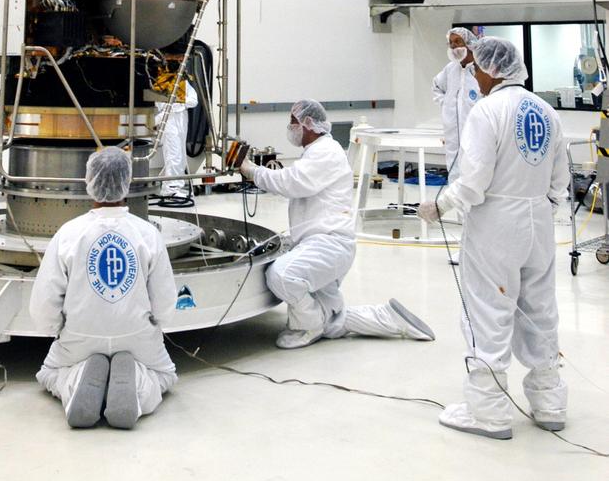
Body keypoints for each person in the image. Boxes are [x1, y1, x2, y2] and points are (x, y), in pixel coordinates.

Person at [418, 37, 568, 440]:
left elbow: (475, 181)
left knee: (488, 310)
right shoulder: (548, 112)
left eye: (477, 69)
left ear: (492, 69)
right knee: (539, 310)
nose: (474, 76)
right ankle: (549, 402)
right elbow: (560, 182)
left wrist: (440, 205)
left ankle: (489, 412)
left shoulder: (487, 111)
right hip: (539, 220)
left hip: (497, 222)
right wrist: (538, 211)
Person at [240, 100, 435, 349]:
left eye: (292, 122)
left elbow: (291, 183)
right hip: (323, 243)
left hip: (328, 245)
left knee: (282, 275)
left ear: (308, 124)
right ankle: (388, 318)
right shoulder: (316, 151)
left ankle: (308, 326)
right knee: (334, 317)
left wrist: (250, 170)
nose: (289, 127)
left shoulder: (325, 152)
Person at [31, 145, 178, 429]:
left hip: (79, 335)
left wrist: (55, 329)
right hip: (136, 334)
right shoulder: (147, 233)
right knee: (165, 375)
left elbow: (45, 300)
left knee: (49, 372)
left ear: (89, 181)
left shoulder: (68, 233)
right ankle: (136, 386)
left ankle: (76, 379)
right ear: (127, 183)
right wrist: (158, 323)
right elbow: (164, 299)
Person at [431, 27, 481, 177]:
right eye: (450, 43)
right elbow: (436, 87)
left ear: (469, 43)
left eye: (458, 42)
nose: (453, 46)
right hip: (453, 133)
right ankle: (454, 199)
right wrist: (446, 104)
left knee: (475, 170)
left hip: (476, 132)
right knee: (454, 170)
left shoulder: (481, 69)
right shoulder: (450, 69)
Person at [153, 78, 198, 208]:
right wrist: (178, 104)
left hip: (181, 120)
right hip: (169, 121)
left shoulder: (184, 83)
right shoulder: (160, 82)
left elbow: (194, 101)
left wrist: (179, 104)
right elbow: (160, 104)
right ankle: (170, 189)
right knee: (173, 155)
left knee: (181, 156)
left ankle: (175, 186)